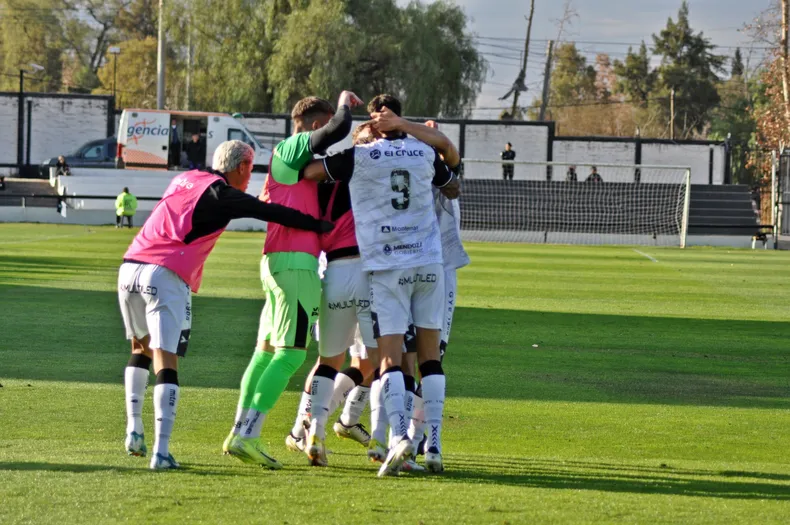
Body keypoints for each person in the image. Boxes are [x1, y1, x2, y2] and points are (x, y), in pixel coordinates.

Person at [118, 140, 333, 470]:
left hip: (130, 266)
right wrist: (317, 225)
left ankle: (134, 430)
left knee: (139, 349)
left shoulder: (185, 178)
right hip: (165, 272)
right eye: (250, 170)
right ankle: (161, 452)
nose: (249, 178)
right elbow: (270, 212)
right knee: (166, 361)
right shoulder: (223, 194)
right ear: (242, 167)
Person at [300, 94, 460, 476]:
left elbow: (309, 172)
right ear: (399, 118)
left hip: (387, 267)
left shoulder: (360, 155)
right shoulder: (424, 151)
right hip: (429, 263)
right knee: (429, 358)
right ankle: (434, 447)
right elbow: (452, 182)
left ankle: (397, 437)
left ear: (373, 123)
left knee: (386, 359)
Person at [224, 90, 363, 469]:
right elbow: (339, 128)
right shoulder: (290, 149)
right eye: (321, 128)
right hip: (296, 265)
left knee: (265, 353)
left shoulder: (292, 168)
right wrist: (344, 102)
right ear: (314, 125)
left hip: (278, 261)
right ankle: (248, 435)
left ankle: (238, 432)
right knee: (291, 355)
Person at [285, 121, 383, 467]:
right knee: (383, 361)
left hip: (335, 273)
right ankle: (380, 440)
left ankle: (313, 431)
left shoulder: (325, 184)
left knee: (329, 360)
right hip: (370, 273)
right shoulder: (377, 178)